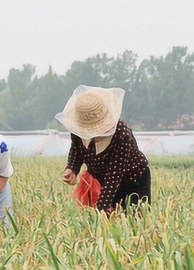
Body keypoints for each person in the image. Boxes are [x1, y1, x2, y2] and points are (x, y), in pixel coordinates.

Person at [55, 85, 151, 215]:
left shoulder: (122, 135)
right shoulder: (78, 128)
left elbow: (113, 178)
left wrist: (100, 214)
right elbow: (76, 149)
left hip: (132, 181)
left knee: (132, 219)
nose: (93, 134)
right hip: (102, 180)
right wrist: (72, 168)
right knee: (110, 220)